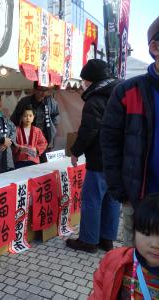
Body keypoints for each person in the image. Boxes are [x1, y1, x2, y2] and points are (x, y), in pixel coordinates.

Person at [101, 17, 159, 247]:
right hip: (138, 198)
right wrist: (120, 191)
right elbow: (109, 141)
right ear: (155, 47)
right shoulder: (127, 92)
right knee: (134, 265)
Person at [66, 59, 121, 253]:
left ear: (93, 80)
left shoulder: (95, 100)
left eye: (85, 80)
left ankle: (88, 241)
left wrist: (75, 151)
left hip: (99, 159)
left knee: (92, 200)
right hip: (119, 159)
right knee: (112, 200)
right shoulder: (121, 93)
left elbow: (89, 130)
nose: (83, 84)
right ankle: (107, 240)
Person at [89, 193, 159, 299]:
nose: (155, 245)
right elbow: (99, 292)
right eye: (146, 233)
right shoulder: (114, 261)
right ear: (134, 231)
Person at [11, 81, 60, 162]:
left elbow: (56, 115)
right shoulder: (24, 101)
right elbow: (15, 118)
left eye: (46, 90)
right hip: (26, 138)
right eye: (41, 90)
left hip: (45, 138)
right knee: (27, 162)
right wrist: (15, 134)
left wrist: (53, 128)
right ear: (34, 90)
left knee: (44, 164)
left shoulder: (51, 101)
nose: (43, 93)